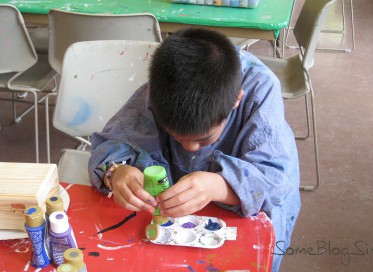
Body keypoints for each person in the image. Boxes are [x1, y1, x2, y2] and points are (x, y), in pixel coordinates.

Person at [89, 27, 300, 271]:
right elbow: (113, 142)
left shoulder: (260, 91)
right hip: (178, 217)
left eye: (204, 139)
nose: (189, 148)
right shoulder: (160, 92)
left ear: (235, 101)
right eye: (175, 137)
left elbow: (274, 182)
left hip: (246, 218)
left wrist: (219, 186)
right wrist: (116, 172)